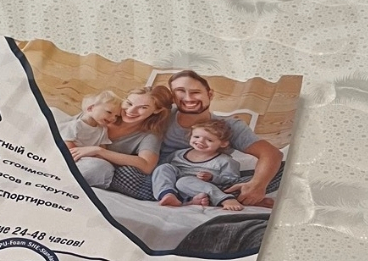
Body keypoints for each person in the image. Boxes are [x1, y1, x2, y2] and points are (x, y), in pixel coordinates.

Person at [160, 70, 282, 207]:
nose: (188, 98)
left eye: (195, 92)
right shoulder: (161, 116)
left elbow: (271, 154)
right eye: (180, 91)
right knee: (153, 174)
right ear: (172, 96)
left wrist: (257, 185)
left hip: (213, 181)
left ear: (210, 94)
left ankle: (233, 195)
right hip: (167, 179)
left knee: (281, 170)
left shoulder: (227, 126)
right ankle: (230, 198)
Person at [70, 85, 174, 189]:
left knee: (97, 168)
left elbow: (147, 165)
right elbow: (68, 132)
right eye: (129, 103)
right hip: (72, 156)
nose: (131, 111)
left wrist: (99, 151)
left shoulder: (149, 135)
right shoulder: (105, 109)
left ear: (157, 110)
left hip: (95, 167)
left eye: (143, 107)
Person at [153, 120, 242, 211]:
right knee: (163, 167)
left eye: (209, 140)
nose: (200, 141)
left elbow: (233, 179)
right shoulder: (178, 154)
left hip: (197, 187)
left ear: (223, 143)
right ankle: (167, 194)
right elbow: (162, 169)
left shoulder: (225, 161)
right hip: (175, 188)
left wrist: (212, 177)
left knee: (183, 181)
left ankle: (225, 199)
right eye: (196, 136)